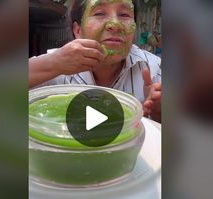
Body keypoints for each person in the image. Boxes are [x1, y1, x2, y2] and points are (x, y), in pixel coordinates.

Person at [29, 0, 161, 122]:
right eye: (99, 13)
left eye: (124, 15)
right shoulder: (57, 62)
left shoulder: (154, 69)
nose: (115, 25)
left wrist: (158, 114)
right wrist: (53, 63)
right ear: (78, 30)